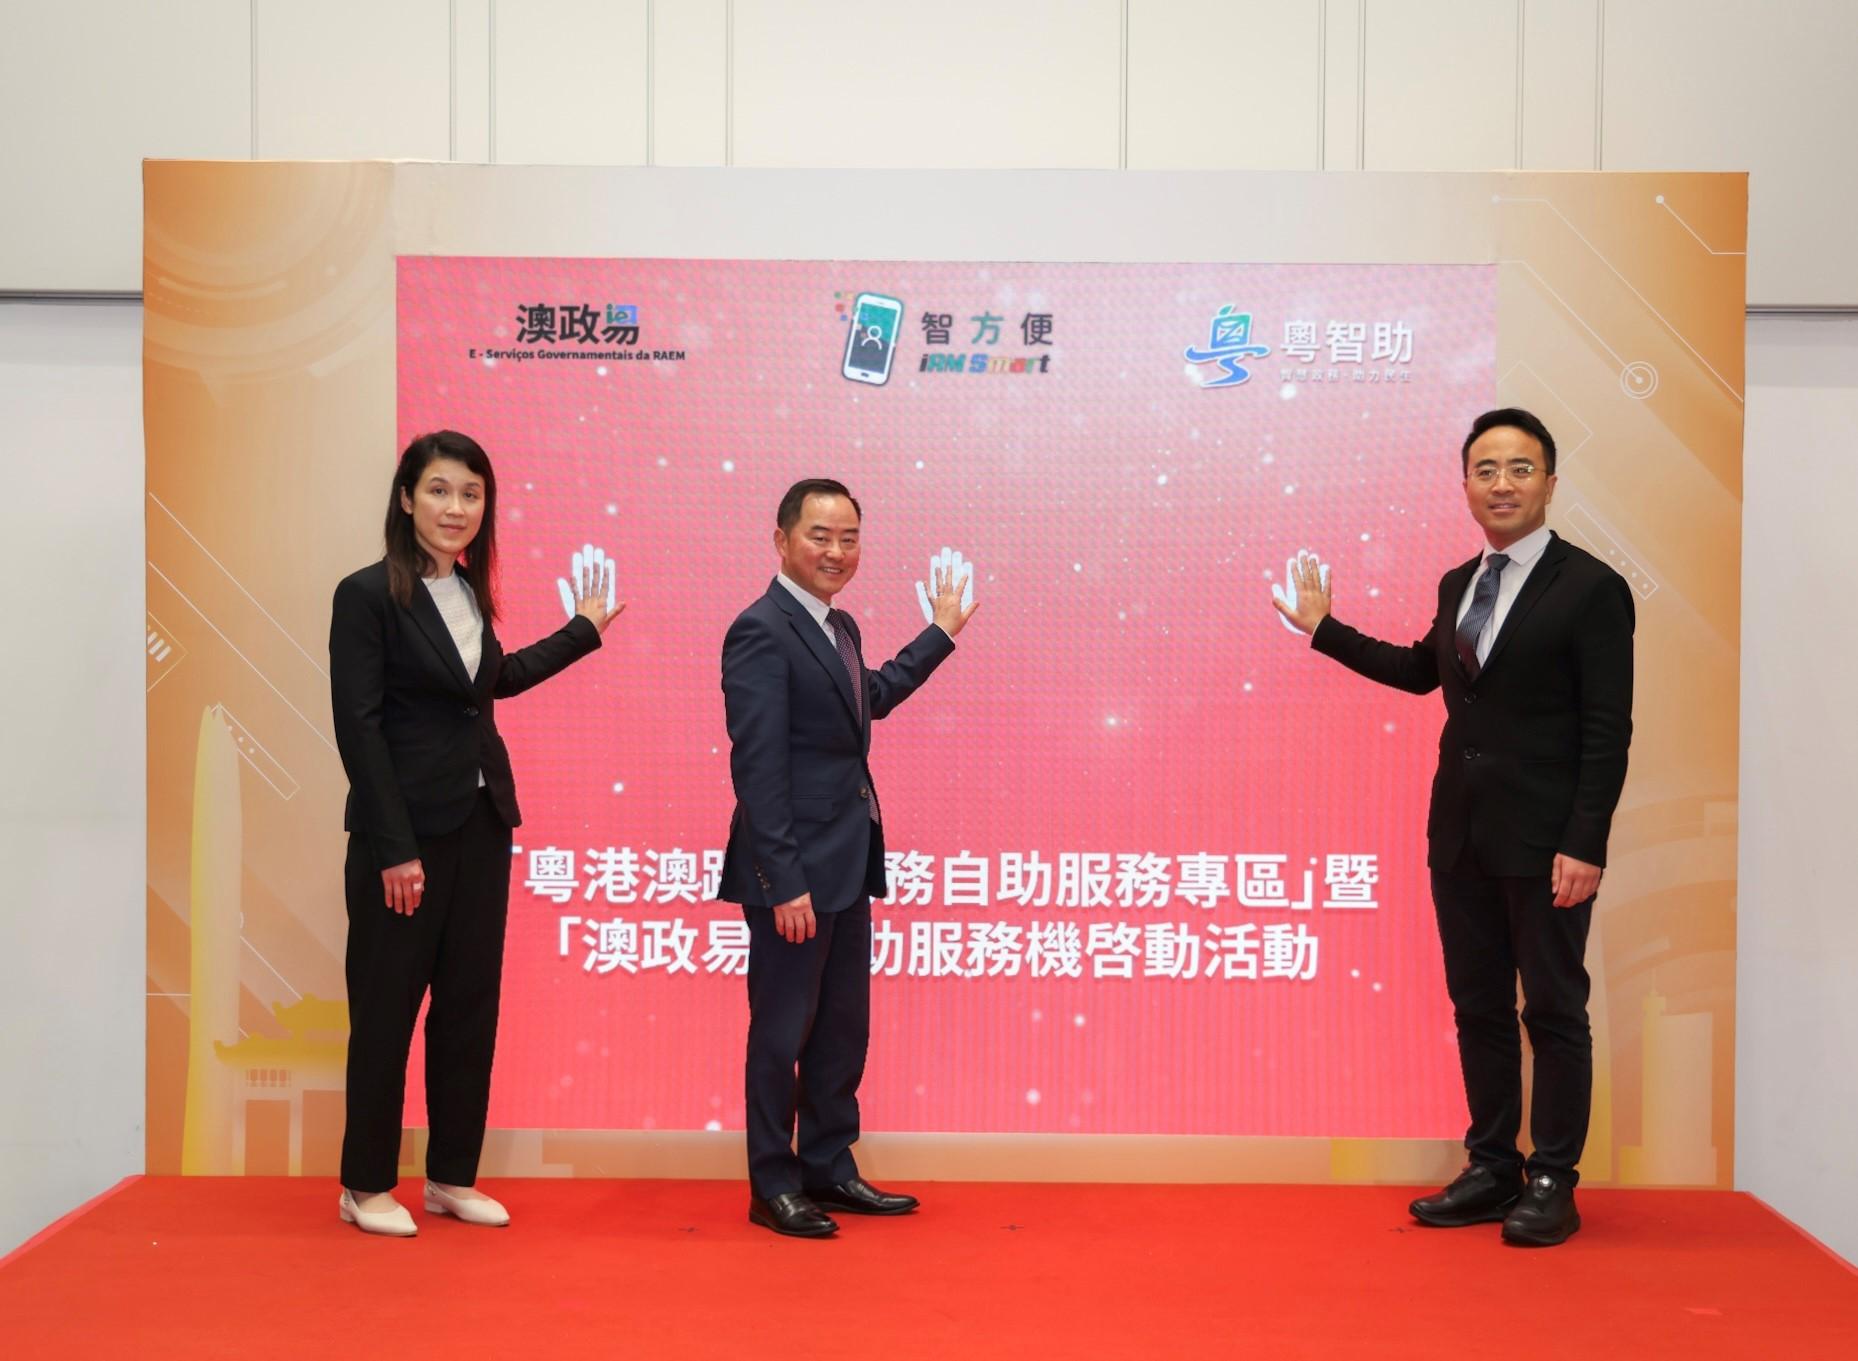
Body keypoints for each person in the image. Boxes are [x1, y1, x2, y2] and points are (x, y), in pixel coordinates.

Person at [1274, 408, 1633, 1247]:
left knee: (1552, 1007)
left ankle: (1551, 1177)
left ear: (1549, 480)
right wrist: (1324, 629)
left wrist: (1586, 840)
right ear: (1465, 483)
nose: (1501, 484)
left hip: (1549, 844)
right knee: (1477, 1006)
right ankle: (1491, 1165)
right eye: (1485, 469)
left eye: (1519, 468)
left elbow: (1606, 728)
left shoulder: (1590, 588)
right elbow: (1415, 671)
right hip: (1461, 835)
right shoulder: (1458, 582)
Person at [329, 430, 622, 1236]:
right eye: (440, 491)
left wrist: (583, 629)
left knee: (468, 1007)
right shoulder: (365, 595)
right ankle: (364, 1184)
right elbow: (358, 727)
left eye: (471, 494)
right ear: (405, 498)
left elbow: (491, 684)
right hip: (404, 840)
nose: (457, 508)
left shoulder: (466, 592)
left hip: (482, 823)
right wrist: (394, 847)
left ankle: (451, 1174)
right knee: (387, 1011)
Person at [719, 478, 978, 1238]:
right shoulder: (760, 629)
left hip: (846, 861)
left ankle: (828, 1166)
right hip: (794, 873)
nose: (836, 551)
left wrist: (941, 633)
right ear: (781, 540)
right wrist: (781, 880)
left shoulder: (839, 627)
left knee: (841, 1027)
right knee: (781, 1030)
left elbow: (872, 695)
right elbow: (757, 766)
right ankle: (773, 1182)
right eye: (819, 535)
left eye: (849, 538)